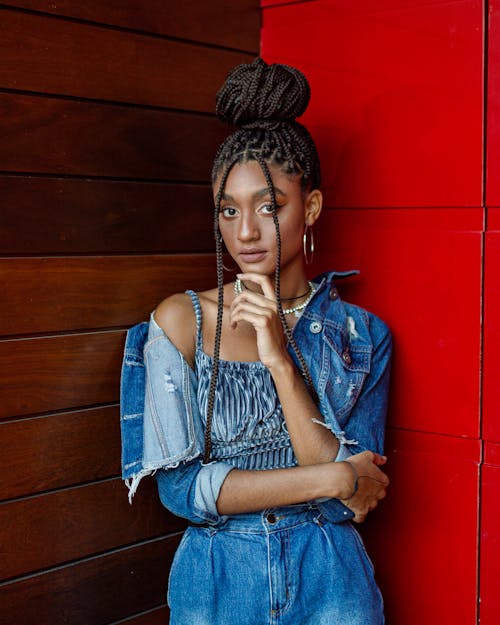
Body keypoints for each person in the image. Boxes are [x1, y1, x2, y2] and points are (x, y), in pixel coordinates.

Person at [120, 58, 391, 625]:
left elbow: (350, 507)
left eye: (269, 206)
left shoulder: (361, 337)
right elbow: (181, 490)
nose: (245, 232)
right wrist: (333, 476)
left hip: (332, 589)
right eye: (228, 210)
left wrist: (277, 358)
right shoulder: (181, 323)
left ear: (310, 208)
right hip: (219, 588)